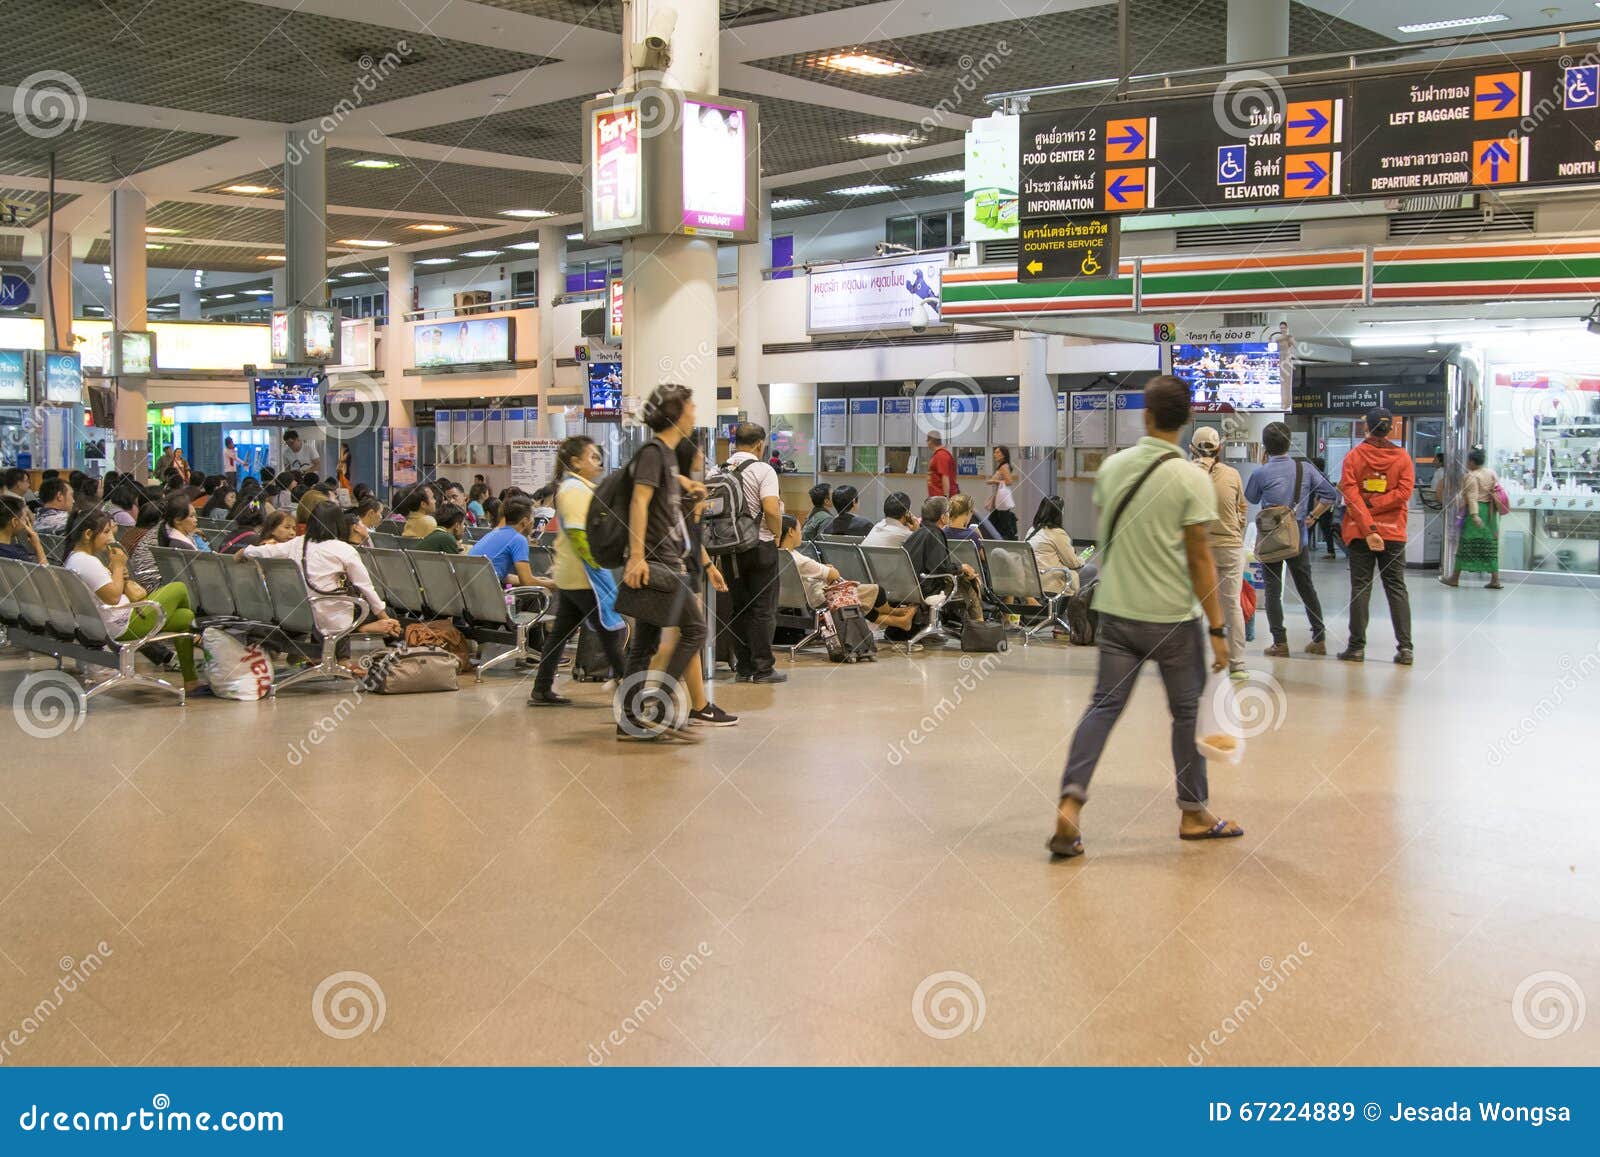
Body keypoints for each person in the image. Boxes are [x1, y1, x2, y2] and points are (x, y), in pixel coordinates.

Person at [1049, 376, 1241, 859]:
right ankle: (1193, 813)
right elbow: (1200, 560)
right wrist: (1218, 630)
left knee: (1102, 708)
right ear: (1186, 422)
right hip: (1173, 620)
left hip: (1116, 613)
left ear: (1146, 416)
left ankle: (1070, 806)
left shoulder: (1113, 469)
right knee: (1186, 716)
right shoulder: (1192, 478)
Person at [617, 383, 710, 742]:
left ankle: (629, 718)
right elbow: (638, 502)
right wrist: (637, 556)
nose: (694, 411)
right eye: (691, 405)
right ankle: (656, 704)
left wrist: (688, 485)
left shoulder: (665, 456)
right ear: (676, 412)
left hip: (662, 560)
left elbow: (662, 485)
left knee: (644, 644)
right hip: (657, 562)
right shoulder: (655, 452)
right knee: (696, 630)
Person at [527, 436, 638, 711]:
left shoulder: (576, 487)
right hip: (583, 575)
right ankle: (629, 690)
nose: (597, 462)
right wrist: (598, 561)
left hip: (570, 574)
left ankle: (541, 689)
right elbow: (578, 532)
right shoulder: (574, 489)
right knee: (610, 630)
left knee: (562, 632)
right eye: (591, 457)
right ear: (575, 462)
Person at [61, 510, 206, 696]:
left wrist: (115, 573)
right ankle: (199, 634)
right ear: (88, 534)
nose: (110, 538)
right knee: (179, 588)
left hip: (107, 622)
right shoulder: (88, 562)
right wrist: (119, 565)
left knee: (184, 617)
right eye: (106, 532)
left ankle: (191, 680)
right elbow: (113, 597)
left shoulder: (75, 559)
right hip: (125, 624)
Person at [244, 504, 400, 652]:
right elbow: (365, 587)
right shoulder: (343, 549)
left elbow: (263, 551)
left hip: (298, 612)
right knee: (390, 614)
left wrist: (245, 551)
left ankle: (339, 656)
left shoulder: (297, 543)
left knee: (336, 605)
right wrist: (385, 617)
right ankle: (390, 659)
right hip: (330, 615)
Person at [1244, 421, 1336, 659]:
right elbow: (1330, 494)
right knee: (1307, 588)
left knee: (1273, 591)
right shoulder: (1305, 469)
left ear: (1265, 447)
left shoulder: (1261, 472)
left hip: (1271, 539)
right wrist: (1313, 516)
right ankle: (1319, 638)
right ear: (1289, 443)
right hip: (1298, 539)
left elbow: (1251, 498)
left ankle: (1280, 643)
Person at [1339, 407, 1415, 665]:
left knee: (1361, 587)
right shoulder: (1403, 458)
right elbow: (1404, 493)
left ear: (1366, 427)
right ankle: (1405, 649)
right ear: (1391, 428)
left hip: (1360, 533)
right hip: (1394, 532)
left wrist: (1369, 525)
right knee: (1396, 588)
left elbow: (1351, 498)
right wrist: (1381, 505)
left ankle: (1356, 648)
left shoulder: (1353, 457)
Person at [719, 422, 786, 685]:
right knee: (762, 609)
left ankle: (743, 666)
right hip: (759, 545)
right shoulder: (763, 469)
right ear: (760, 444)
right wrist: (777, 533)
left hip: (729, 547)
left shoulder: (720, 469)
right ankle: (763, 669)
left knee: (739, 607)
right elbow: (771, 508)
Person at [781, 514, 915, 632]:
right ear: (791, 532)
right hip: (819, 598)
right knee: (877, 590)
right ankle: (894, 612)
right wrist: (828, 571)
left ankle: (900, 621)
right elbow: (833, 574)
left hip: (794, 600)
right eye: (799, 529)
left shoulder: (779, 555)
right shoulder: (799, 559)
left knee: (859, 602)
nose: (801, 532)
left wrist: (821, 570)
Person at [1189, 427, 1249, 678]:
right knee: (1231, 604)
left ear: (1192, 449)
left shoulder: (1188, 473)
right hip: (1231, 547)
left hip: (1199, 546)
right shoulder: (1233, 474)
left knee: (1194, 605)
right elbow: (1242, 510)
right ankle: (1238, 664)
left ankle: (1193, 662)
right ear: (1219, 449)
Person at [903, 496, 984, 623]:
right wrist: (962, 567)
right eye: (947, 513)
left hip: (909, 587)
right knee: (967, 580)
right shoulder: (935, 534)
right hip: (927, 589)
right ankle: (979, 625)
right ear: (942, 517)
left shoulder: (918, 533)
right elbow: (939, 568)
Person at [1442, 448, 1502, 590]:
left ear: (1472, 462)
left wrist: (1474, 515)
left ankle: (1454, 578)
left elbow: (1472, 497)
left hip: (1477, 512)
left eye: (1468, 461)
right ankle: (1495, 579)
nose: (1467, 463)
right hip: (1490, 512)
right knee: (1489, 546)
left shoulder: (1472, 476)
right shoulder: (1491, 473)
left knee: (1466, 544)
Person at [128, 494, 209, 590]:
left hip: (143, 582)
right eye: (191, 516)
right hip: (153, 587)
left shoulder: (165, 528)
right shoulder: (177, 543)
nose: (196, 520)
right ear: (177, 519)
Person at [469, 498, 547, 588]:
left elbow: (503, 576)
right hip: (493, 595)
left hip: (475, 592)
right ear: (525, 521)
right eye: (532, 516)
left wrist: (538, 580)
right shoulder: (519, 539)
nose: (534, 521)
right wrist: (555, 585)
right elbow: (527, 581)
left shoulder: (494, 533)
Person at [1025, 496, 1088, 596]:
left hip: (1031, 581)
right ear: (1058, 513)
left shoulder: (1032, 530)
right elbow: (1073, 563)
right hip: (1050, 582)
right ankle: (1073, 605)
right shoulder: (1058, 533)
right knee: (1090, 569)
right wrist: (1082, 559)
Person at [0, 495, 47, 563]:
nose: (26, 523)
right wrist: (38, 546)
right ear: (15, 522)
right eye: (25, 519)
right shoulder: (17, 554)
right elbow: (47, 573)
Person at [985, 446, 1019, 539]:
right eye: (995, 452)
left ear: (1004, 455)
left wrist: (993, 481)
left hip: (1001, 501)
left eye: (997, 452)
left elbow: (1009, 481)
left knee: (997, 523)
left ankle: (1006, 539)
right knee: (997, 523)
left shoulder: (1004, 467)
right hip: (998, 500)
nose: (995, 454)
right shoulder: (1001, 467)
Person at [1310, 456, 1341, 557]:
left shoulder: (1317, 477)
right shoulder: (1324, 476)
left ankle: (1301, 550)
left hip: (1320, 507)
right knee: (1326, 529)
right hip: (1325, 508)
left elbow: (1319, 495)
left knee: (1308, 529)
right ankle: (1331, 551)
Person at [926, 431, 958, 498]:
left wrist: (945, 497)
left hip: (941, 498)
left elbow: (945, 477)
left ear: (930, 441)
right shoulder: (937, 455)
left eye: (927, 440)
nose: (927, 443)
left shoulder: (941, 455)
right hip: (936, 497)